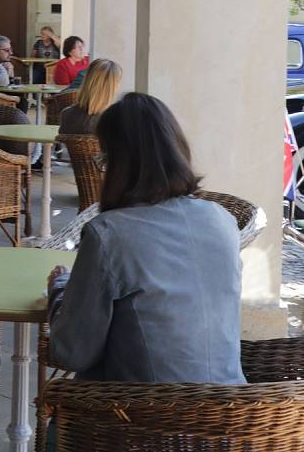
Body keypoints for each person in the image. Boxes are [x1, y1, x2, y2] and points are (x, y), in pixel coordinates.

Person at [48, 92, 245, 385]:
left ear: (119, 164)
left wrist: (59, 291)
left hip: (143, 420)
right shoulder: (222, 220)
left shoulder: (109, 234)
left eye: (105, 160)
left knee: (55, 420)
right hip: (228, 415)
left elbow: (72, 353)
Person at [59, 59, 122, 135]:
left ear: (86, 81)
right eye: (118, 82)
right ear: (111, 88)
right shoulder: (115, 121)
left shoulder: (66, 115)